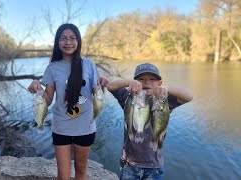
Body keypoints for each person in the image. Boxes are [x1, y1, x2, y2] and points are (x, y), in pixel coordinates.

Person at [28, 23, 108, 180]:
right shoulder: (52, 68)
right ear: (58, 42)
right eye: (63, 38)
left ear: (78, 41)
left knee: (80, 171)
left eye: (72, 38)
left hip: (85, 127)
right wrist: (37, 88)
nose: (68, 42)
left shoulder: (89, 64)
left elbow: (96, 91)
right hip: (61, 127)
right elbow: (49, 99)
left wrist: (103, 84)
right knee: (63, 176)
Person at [106, 63, 193, 180]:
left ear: (159, 84)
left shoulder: (163, 102)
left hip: (154, 166)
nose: (146, 82)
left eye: (152, 79)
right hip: (129, 164)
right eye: (141, 79)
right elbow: (110, 86)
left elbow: (189, 96)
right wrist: (127, 83)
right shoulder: (128, 98)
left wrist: (167, 89)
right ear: (135, 82)